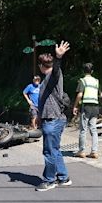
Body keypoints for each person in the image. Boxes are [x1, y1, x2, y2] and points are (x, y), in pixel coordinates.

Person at [35, 41, 71, 192]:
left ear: (42, 66)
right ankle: (63, 177)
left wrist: (58, 57)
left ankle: (49, 180)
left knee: (49, 151)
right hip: (51, 118)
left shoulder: (53, 76)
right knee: (54, 150)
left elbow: (56, 69)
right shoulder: (45, 80)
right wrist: (39, 116)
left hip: (53, 120)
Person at [72, 63, 102, 159]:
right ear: (92, 71)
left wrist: (75, 106)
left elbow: (80, 95)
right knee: (93, 129)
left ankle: (81, 151)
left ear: (83, 71)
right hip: (95, 106)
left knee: (83, 129)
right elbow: (101, 94)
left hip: (86, 107)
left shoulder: (82, 81)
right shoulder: (96, 81)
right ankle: (94, 151)